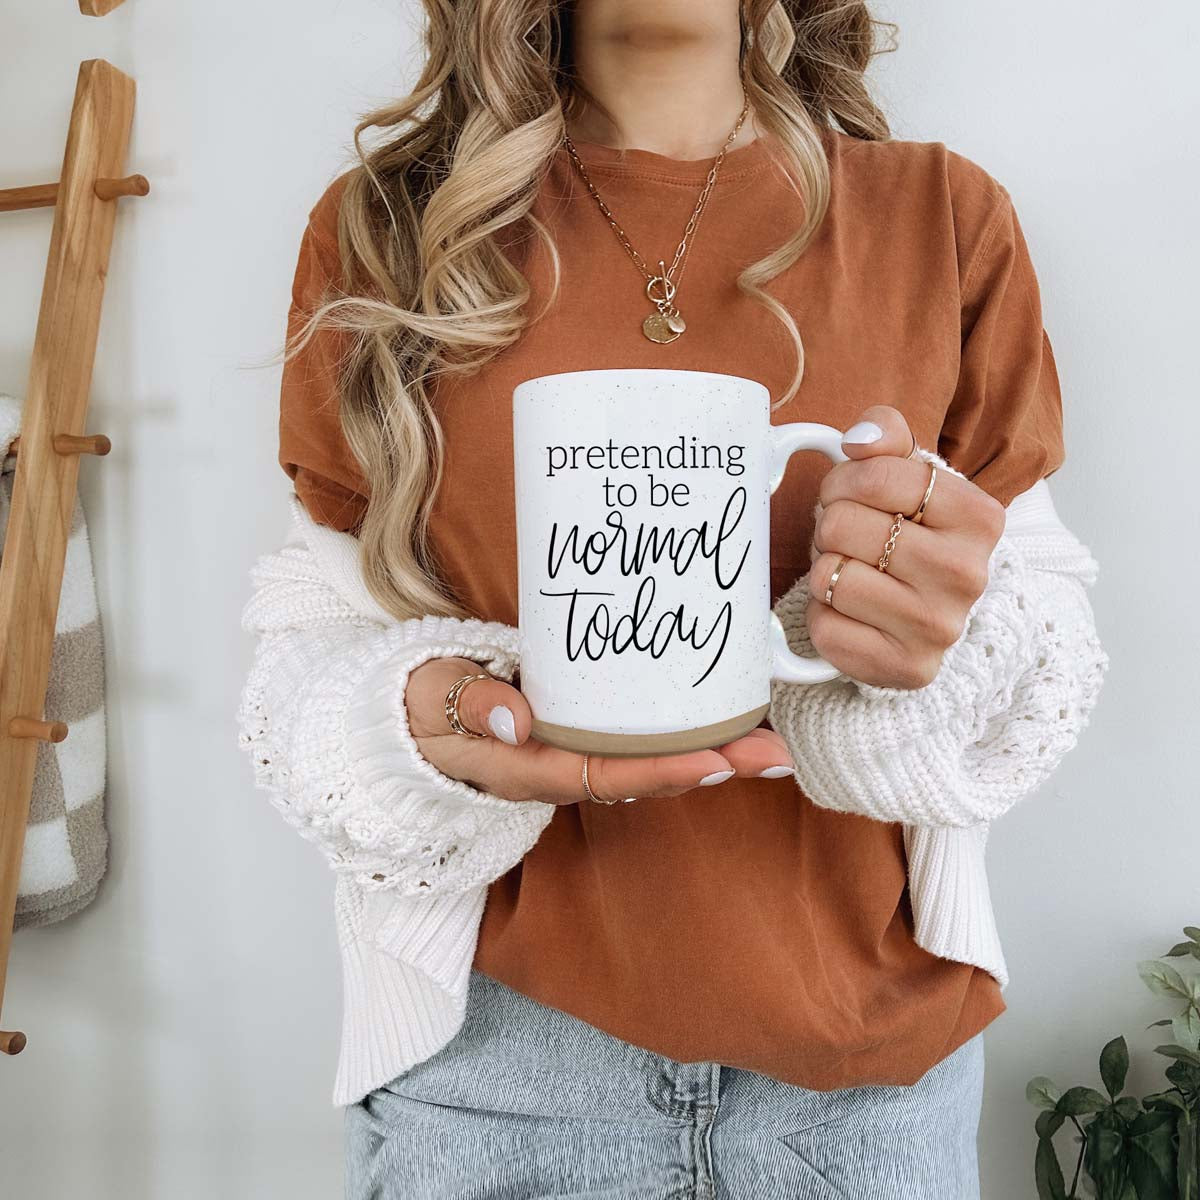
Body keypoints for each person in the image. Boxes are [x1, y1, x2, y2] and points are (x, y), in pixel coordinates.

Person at [236, 1, 1107, 1195]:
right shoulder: (390, 231)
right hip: (494, 1073)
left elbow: (1040, 634)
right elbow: (307, 645)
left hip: (862, 1084)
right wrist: (422, 729)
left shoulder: (942, 219)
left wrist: (917, 654)